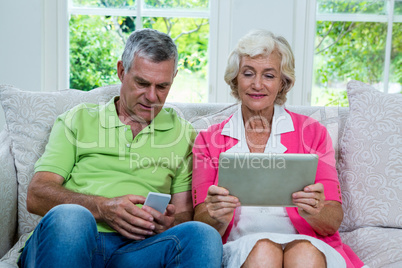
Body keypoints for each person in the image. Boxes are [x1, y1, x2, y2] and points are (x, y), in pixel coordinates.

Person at [18, 28, 222, 267]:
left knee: (202, 235)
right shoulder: (79, 119)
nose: (152, 96)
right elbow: (37, 194)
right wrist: (102, 208)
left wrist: (169, 223)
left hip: (138, 251)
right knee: (72, 216)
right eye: (142, 83)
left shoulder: (183, 133)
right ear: (121, 71)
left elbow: (183, 214)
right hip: (73, 240)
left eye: (162, 86)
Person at [192, 29, 364, 268]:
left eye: (269, 75)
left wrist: (314, 211)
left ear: (283, 82)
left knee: (304, 253)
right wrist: (216, 215)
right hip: (241, 244)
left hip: (307, 241)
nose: (257, 84)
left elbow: (332, 220)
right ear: (235, 79)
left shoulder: (313, 132)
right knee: (264, 250)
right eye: (248, 73)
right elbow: (201, 221)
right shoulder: (208, 140)